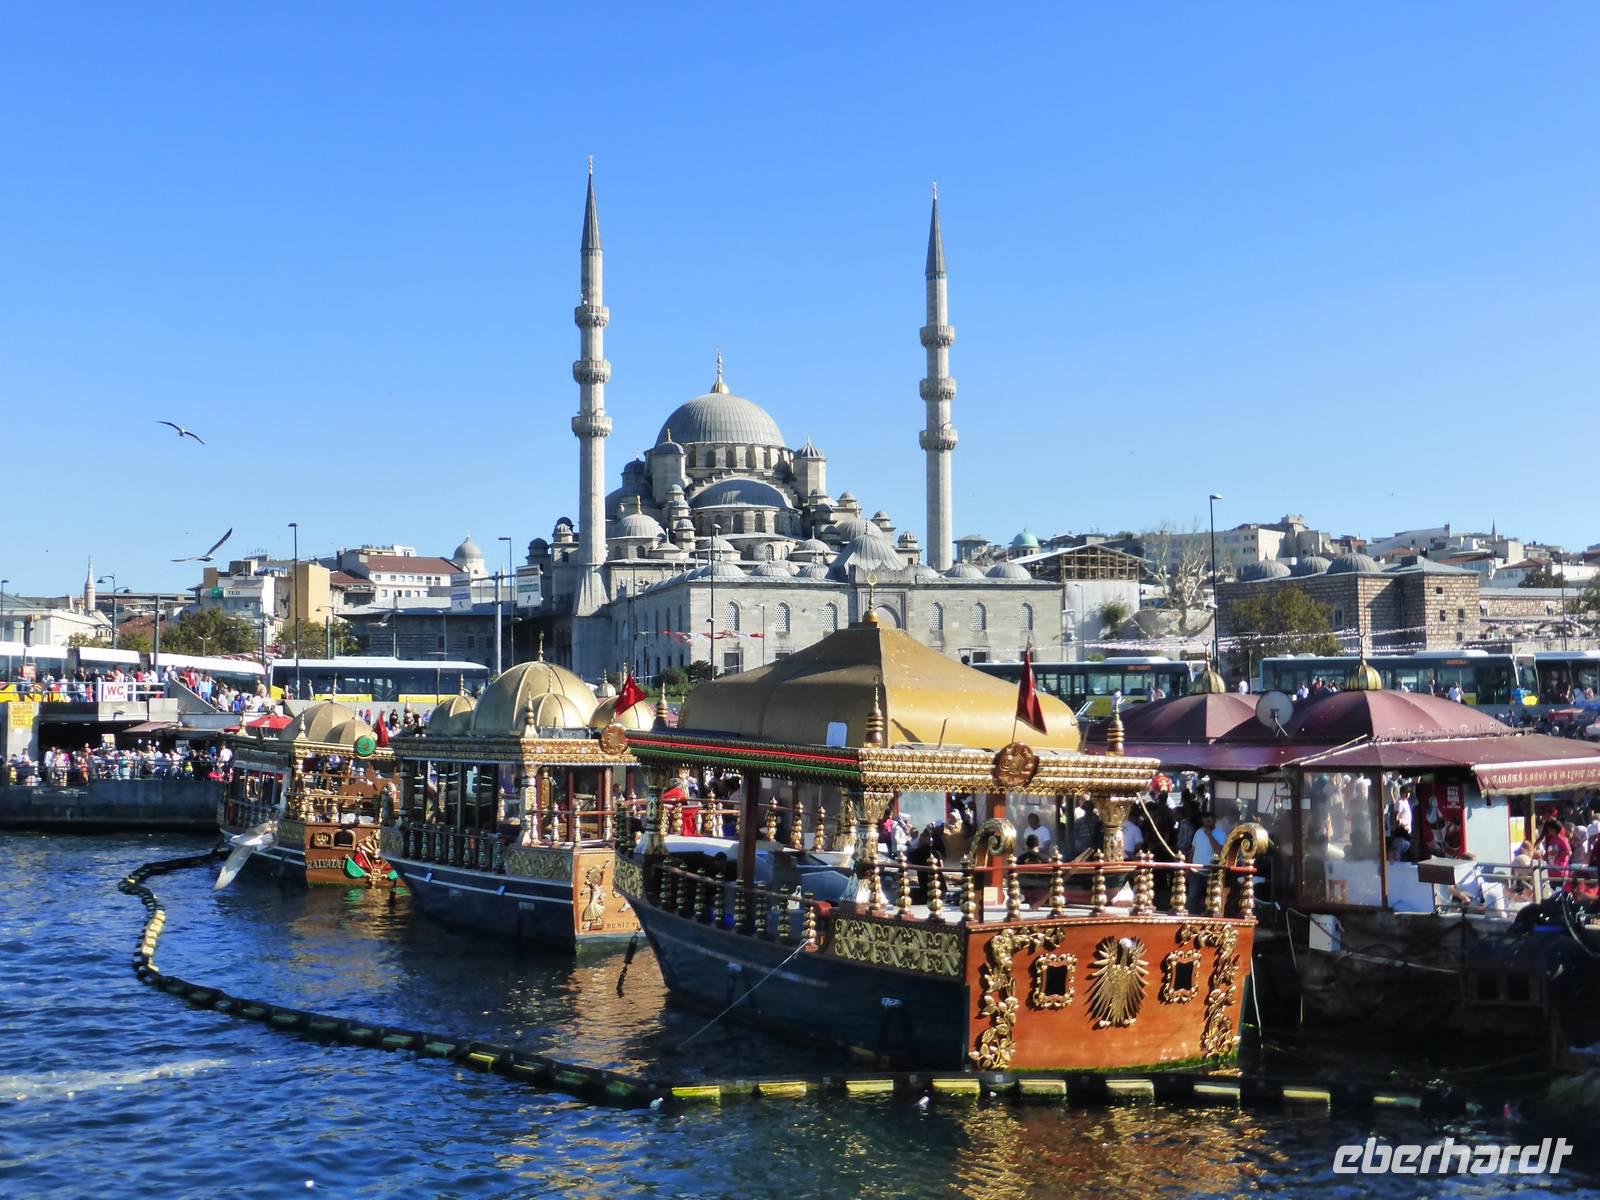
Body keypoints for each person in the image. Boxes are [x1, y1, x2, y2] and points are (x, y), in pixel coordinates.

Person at [1188, 811, 1223, 913]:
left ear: (1214, 821)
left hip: (1211, 872)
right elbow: (1192, 851)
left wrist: (1209, 835)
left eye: (1209, 822)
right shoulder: (1198, 832)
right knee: (1192, 898)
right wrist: (1188, 867)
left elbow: (1218, 850)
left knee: (1210, 899)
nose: (1207, 824)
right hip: (1196, 871)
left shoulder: (1221, 834)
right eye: (1205, 822)